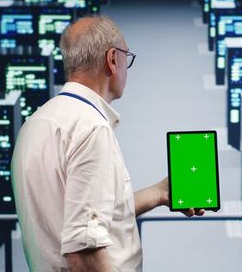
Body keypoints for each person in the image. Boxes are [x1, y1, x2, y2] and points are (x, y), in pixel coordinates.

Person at [11, 15, 203, 272]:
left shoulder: (36, 123)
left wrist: (159, 193)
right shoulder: (90, 128)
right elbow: (84, 251)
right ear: (112, 60)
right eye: (128, 58)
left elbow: (78, 216)